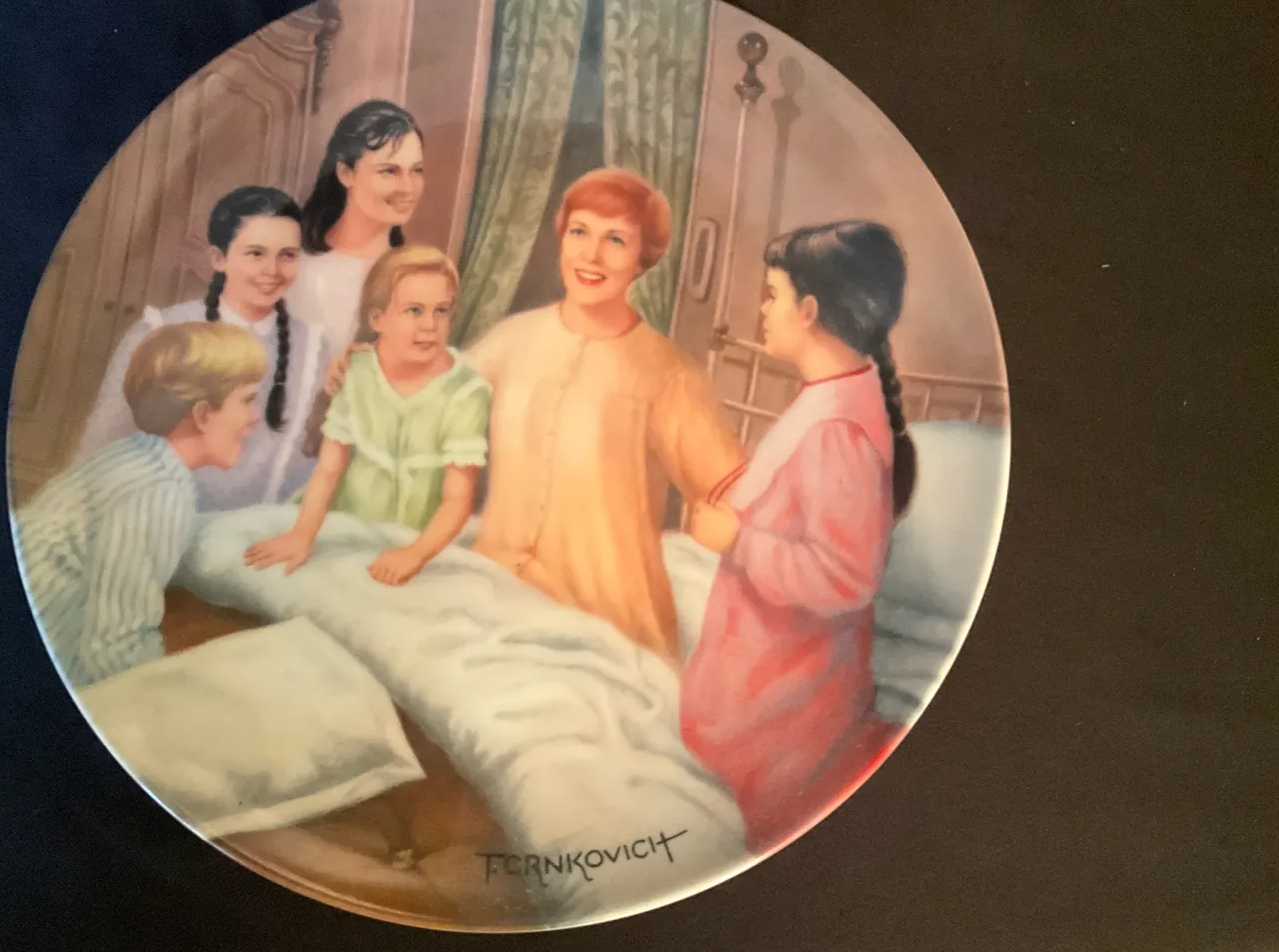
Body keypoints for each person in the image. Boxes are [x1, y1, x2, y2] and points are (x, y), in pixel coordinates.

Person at [325, 167, 747, 662]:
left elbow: (735, 499)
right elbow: (429, 399)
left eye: (615, 240)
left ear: (642, 259)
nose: (591, 255)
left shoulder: (668, 375)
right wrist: (371, 369)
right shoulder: (513, 338)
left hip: (607, 626)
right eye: (579, 232)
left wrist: (721, 528)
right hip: (494, 604)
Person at [678, 220, 918, 856]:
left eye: (771, 296)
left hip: (789, 707)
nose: (762, 310)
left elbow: (847, 578)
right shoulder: (830, 399)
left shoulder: (838, 430)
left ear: (809, 311)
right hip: (767, 678)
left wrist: (737, 538)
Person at [15, 322, 267, 688]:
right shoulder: (158, 492)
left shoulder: (135, 456)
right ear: (202, 415)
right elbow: (114, 649)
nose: (255, 417)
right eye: (247, 400)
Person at [244, 245, 491, 587]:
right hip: (347, 525)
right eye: (414, 311)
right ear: (378, 320)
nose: (429, 325)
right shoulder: (357, 373)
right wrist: (302, 536)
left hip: (420, 539)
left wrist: (414, 555)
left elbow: (458, 499)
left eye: (442, 311)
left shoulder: (466, 393)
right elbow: (329, 470)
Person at [77, 186, 325, 511]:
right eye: (256, 253)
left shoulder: (313, 348)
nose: (272, 271)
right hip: (154, 520)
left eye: (288, 255)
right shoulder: (160, 332)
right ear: (218, 258)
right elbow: (101, 445)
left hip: (258, 531)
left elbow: (313, 463)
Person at [286, 100, 425, 444]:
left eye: (417, 170)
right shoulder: (294, 267)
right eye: (389, 171)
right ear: (345, 173)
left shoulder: (418, 277)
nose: (408, 188)